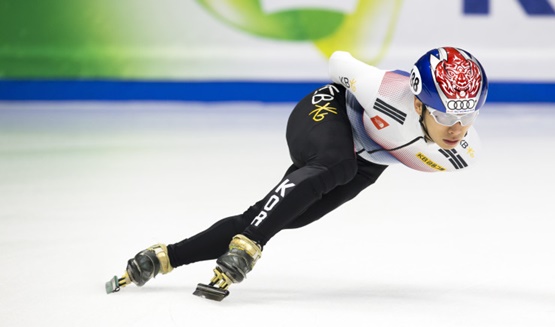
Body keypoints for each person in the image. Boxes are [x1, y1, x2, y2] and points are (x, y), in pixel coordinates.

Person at [105, 46, 489, 300]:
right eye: (444, 116)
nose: (457, 129)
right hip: (328, 113)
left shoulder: (462, 153)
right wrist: (349, 116)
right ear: (418, 103)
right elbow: (338, 61)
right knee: (334, 166)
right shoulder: (385, 91)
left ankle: (164, 257)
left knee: (286, 214)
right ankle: (248, 246)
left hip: (367, 162)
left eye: (468, 115)